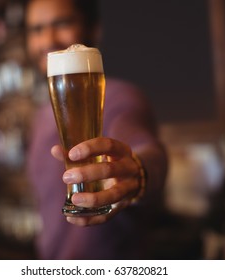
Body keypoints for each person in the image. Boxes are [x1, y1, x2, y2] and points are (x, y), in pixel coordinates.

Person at [25, 0, 168, 259]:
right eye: (36, 29)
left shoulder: (120, 98)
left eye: (62, 23)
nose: (47, 39)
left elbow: (148, 150)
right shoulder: (42, 114)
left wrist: (139, 172)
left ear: (94, 30)